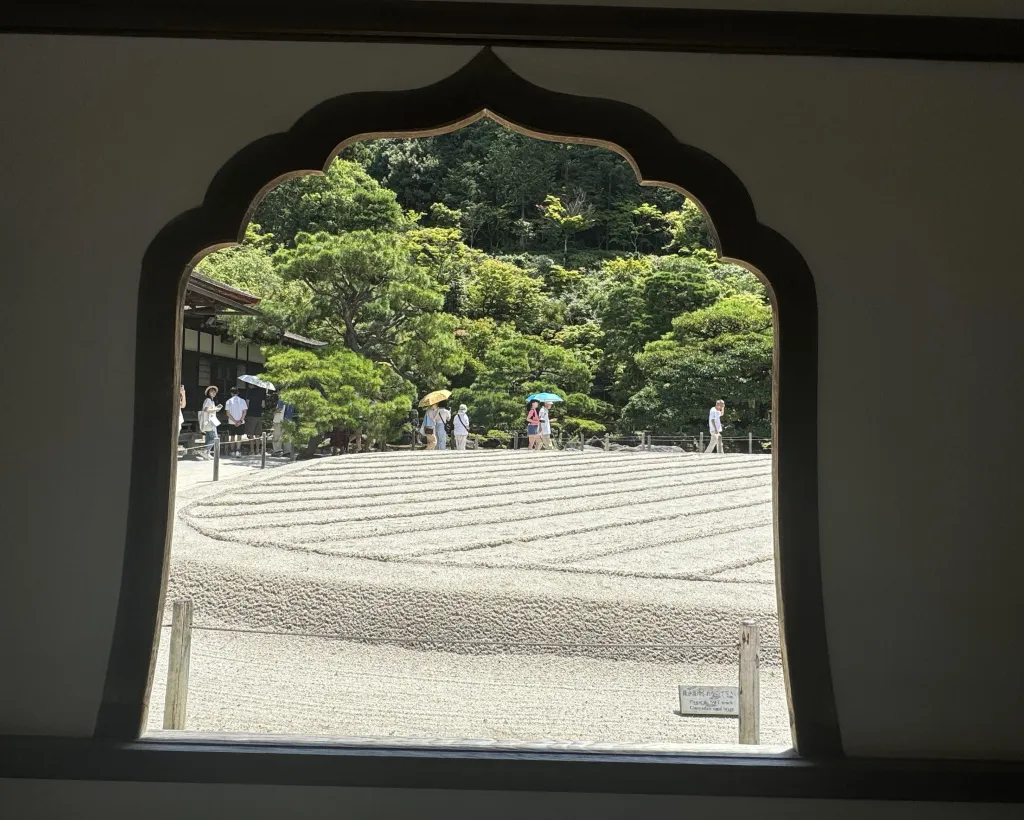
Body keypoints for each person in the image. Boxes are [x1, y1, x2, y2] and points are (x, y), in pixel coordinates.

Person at [199, 386, 222, 459]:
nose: (213, 393)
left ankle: (207, 453)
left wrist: (216, 409)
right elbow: (206, 409)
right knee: (215, 437)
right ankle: (205, 451)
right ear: (208, 393)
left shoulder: (212, 401)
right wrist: (216, 409)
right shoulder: (208, 400)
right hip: (210, 421)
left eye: (214, 392)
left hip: (211, 420)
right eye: (212, 391)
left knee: (209, 438)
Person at [244, 384, 268, 454]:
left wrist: (244, 413)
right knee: (258, 434)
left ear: (251, 384)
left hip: (250, 415)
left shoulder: (249, 391)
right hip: (259, 415)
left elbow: (247, 404)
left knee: (251, 434)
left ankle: (252, 451)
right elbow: (263, 405)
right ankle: (257, 450)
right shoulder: (262, 391)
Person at [224, 387, 247, 456]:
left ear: (231, 393)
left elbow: (228, 413)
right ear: (238, 393)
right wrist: (240, 420)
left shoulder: (228, 401)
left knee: (232, 437)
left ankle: (232, 451)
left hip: (232, 422)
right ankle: (238, 451)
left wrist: (234, 421)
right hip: (241, 422)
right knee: (239, 436)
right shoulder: (242, 400)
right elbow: (245, 411)